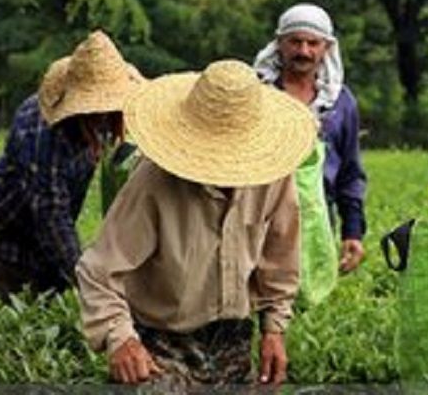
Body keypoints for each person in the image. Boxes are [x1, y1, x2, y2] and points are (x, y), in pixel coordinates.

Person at [77, 60, 312, 387]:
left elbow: (280, 259)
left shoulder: (273, 177)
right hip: (161, 338)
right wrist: (121, 340)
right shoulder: (153, 181)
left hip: (234, 335)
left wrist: (274, 330)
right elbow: (97, 270)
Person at [0, 30, 143, 297]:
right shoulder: (44, 130)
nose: (106, 115)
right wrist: (86, 279)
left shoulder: (103, 120)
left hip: (47, 242)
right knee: (22, 325)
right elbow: (52, 216)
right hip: (7, 241)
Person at [253, 3, 368, 273]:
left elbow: (350, 172)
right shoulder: (258, 93)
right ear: (280, 43)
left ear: (326, 47)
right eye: (295, 42)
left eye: (312, 43)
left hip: (318, 217)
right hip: (260, 215)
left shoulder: (340, 102)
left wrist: (353, 231)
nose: (304, 51)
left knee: (308, 299)